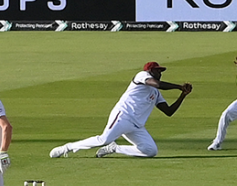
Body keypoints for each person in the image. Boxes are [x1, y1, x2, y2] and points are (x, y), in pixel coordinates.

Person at [49, 62, 193, 159]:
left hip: (137, 126)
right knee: (103, 139)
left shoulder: (155, 93)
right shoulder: (142, 76)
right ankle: (67, 148)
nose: (160, 73)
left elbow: (168, 112)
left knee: (150, 151)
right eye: (157, 70)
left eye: (161, 71)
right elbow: (157, 83)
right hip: (122, 116)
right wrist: (179, 86)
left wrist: (183, 95)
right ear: (149, 70)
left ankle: (115, 148)